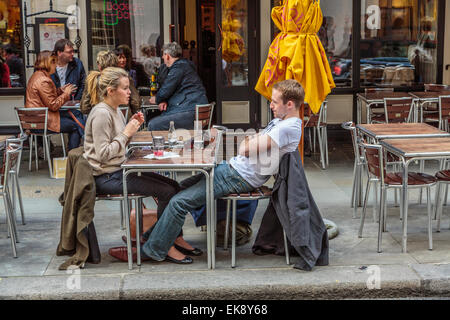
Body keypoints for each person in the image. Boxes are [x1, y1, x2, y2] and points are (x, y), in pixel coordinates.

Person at [110, 79, 304, 263]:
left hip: (238, 177)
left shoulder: (287, 127)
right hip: (233, 170)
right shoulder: (281, 122)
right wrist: (250, 141)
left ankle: (153, 249)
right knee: (175, 190)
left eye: (275, 102)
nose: (270, 105)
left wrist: (250, 141)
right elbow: (248, 142)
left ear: (289, 104)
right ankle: (153, 239)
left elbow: (245, 147)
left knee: (179, 202)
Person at [84, 67, 198, 264]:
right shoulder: (102, 113)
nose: (130, 92)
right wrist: (127, 133)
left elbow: (119, 146)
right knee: (167, 192)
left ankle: (167, 237)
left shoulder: (116, 111)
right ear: (111, 91)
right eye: (125, 88)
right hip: (106, 177)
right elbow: (103, 155)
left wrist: (132, 128)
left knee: (173, 187)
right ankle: (164, 244)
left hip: (119, 170)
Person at [25, 51, 85, 151]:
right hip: (42, 121)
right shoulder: (44, 80)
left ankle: (78, 149)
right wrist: (66, 94)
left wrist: (60, 90)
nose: (56, 66)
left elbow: (46, 96)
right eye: (54, 63)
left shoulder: (37, 75)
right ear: (48, 63)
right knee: (75, 126)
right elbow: (53, 105)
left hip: (39, 118)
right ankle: (72, 156)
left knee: (76, 115)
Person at [147, 42, 208, 131]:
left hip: (190, 110)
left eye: (163, 55)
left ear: (167, 56)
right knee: (160, 120)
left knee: (153, 124)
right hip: (193, 109)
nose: (163, 58)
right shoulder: (185, 65)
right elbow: (172, 90)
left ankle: (161, 145)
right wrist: (163, 100)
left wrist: (157, 99)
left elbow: (166, 89)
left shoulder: (178, 67)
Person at [80, 50, 140, 118]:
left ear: (99, 66)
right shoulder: (124, 77)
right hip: (124, 120)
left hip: (100, 120)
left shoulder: (92, 80)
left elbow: (85, 108)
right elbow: (135, 102)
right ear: (116, 64)